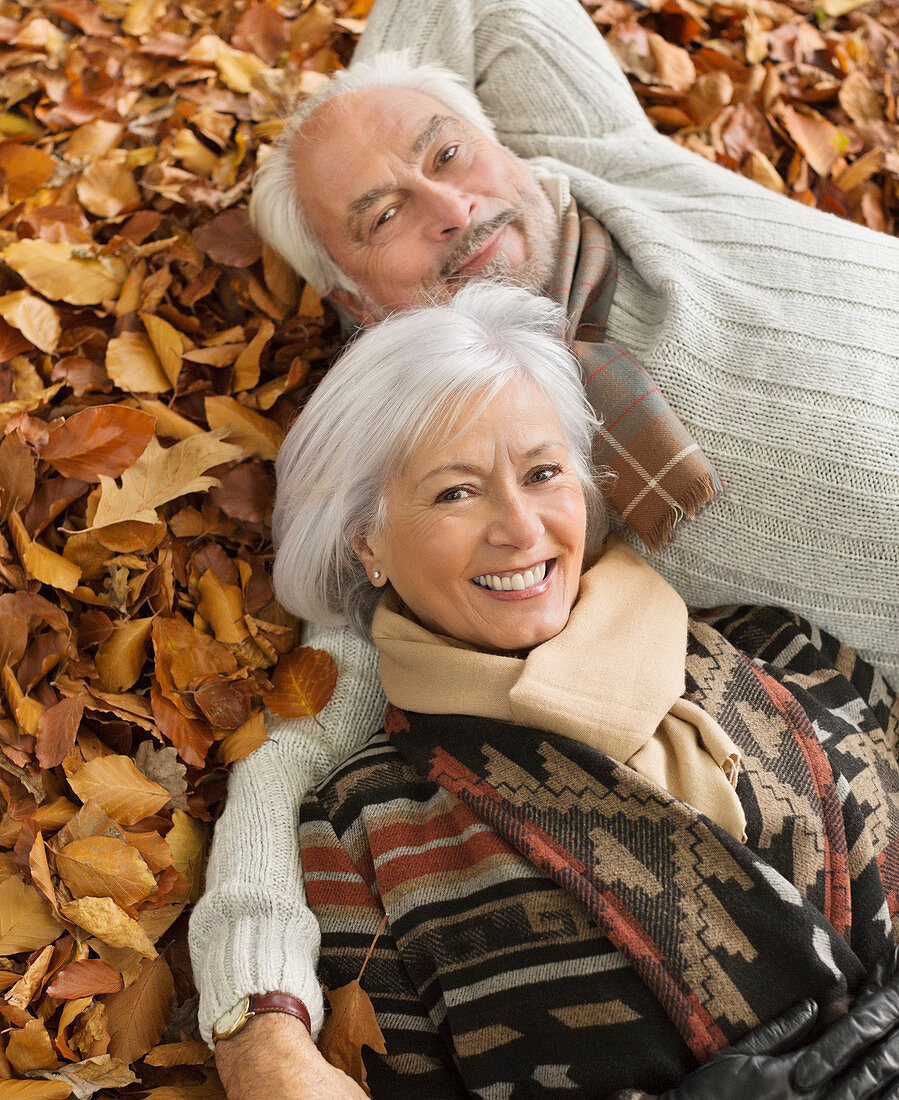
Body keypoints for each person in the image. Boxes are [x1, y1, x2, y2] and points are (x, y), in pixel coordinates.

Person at [190, 0, 899, 1089]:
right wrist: (258, 1023)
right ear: (352, 301)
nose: (447, 207)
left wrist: (349, 113)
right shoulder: (459, 445)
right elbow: (296, 746)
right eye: (382, 217)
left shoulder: (607, 164)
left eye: (447, 154)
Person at [256, 284, 899, 1096]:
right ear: (367, 542)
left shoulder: (780, 647)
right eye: (456, 491)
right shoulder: (361, 828)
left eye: (542, 472)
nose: (521, 528)